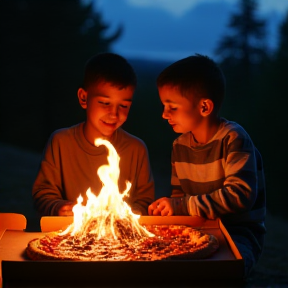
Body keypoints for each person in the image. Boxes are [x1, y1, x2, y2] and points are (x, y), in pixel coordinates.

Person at [148, 54, 266, 278]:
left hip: (237, 234)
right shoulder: (180, 146)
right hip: (199, 230)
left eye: (172, 107)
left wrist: (181, 205)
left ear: (204, 107)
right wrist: (170, 211)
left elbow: (240, 196)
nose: (164, 114)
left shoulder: (233, 139)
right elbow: (180, 198)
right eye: (164, 106)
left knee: (217, 273)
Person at [32, 52, 155, 217]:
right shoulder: (61, 142)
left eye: (124, 106)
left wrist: (127, 214)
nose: (114, 114)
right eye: (105, 103)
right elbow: (42, 193)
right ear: (84, 98)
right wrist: (58, 207)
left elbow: (145, 201)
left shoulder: (136, 149)